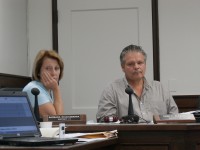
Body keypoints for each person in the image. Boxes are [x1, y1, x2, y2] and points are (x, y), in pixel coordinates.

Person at [96, 44, 178, 123]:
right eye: (130, 64)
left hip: (160, 136)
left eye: (140, 63)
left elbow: (175, 116)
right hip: (126, 136)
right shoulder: (112, 90)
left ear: (145, 64)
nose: (136, 67)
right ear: (122, 67)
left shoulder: (160, 88)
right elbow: (104, 121)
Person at [23, 49, 64, 118]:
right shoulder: (33, 89)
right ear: (38, 71)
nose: (53, 73)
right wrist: (56, 89)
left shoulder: (48, 89)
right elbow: (57, 120)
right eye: (48, 68)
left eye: (56, 68)